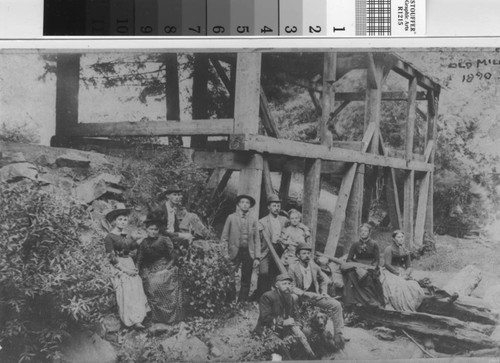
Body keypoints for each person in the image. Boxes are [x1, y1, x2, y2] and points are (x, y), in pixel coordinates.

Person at [288, 243, 346, 348]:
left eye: (309, 253)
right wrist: (304, 293)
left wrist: (323, 291)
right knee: (293, 297)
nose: (307, 256)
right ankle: (298, 326)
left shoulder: (314, 266)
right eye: (304, 253)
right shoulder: (292, 268)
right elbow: (291, 286)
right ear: (298, 255)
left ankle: (338, 335)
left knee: (336, 305)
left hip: (314, 296)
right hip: (300, 296)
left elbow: (323, 279)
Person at [103, 205, 148, 329]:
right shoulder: (109, 237)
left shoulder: (126, 235)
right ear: (114, 221)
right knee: (127, 287)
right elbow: (111, 257)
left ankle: (139, 318)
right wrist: (125, 270)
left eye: (124, 220)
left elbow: (131, 246)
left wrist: (141, 240)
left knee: (137, 285)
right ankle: (131, 320)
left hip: (129, 262)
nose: (123, 222)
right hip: (118, 265)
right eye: (120, 219)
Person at [254, 273, 315, 359]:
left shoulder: (291, 298)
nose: (287, 286)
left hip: (286, 330)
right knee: (282, 349)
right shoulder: (267, 296)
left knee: (307, 333)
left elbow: (297, 317)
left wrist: (298, 326)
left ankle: (303, 357)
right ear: (276, 285)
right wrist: (283, 322)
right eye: (284, 284)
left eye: (289, 284)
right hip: (269, 330)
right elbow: (265, 319)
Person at [137, 218, 183, 324]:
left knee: (159, 282)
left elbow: (173, 258)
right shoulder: (144, 242)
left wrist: (165, 269)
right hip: (150, 268)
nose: (153, 232)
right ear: (146, 230)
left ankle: (170, 318)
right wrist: (137, 269)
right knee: (149, 283)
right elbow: (140, 258)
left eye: (155, 229)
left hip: (166, 267)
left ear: (158, 230)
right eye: (150, 229)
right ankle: (158, 317)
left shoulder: (164, 240)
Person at [221, 194, 261, 302]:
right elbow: (224, 237)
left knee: (246, 278)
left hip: (248, 252)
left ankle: (242, 302)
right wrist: (224, 253)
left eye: (247, 203)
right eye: (242, 202)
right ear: (238, 204)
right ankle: (230, 301)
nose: (245, 205)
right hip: (233, 251)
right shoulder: (231, 217)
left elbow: (257, 239)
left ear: (250, 205)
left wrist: (257, 257)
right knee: (230, 276)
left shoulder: (253, 220)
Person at [380, 230, 425, 311]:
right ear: (394, 239)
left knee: (414, 286)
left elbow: (409, 266)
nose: (401, 239)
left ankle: (411, 306)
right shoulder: (389, 249)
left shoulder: (405, 250)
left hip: (402, 272)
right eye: (398, 237)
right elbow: (387, 264)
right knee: (396, 287)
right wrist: (398, 273)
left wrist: (406, 273)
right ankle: (397, 307)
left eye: (402, 237)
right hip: (390, 272)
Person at [342, 223, 385, 307]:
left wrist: (370, 268)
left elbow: (376, 260)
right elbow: (349, 258)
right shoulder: (355, 244)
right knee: (351, 274)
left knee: (370, 278)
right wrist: (356, 266)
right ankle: (353, 301)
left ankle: (372, 300)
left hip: (370, 266)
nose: (363, 233)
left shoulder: (374, 244)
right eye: (361, 231)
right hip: (357, 265)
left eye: (365, 231)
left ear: (369, 232)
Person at [256, 195, 288, 299]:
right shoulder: (262, 221)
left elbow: (297, 223)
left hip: (279, 250)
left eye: (278, 206)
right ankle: (261, 296)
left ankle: (272, 297)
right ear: (269, 207)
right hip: (266, 251)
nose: (277, 208)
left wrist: (305, 230)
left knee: (275, 274)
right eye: (274, 206)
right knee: (264, 273)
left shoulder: (284, 220)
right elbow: (256, 239)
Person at [148, 184, 193, 251]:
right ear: (167, 196)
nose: (177, 197)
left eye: (178, 195)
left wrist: (184, 234)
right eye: (174, 195)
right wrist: (181, 235)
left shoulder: (173, 209)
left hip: (171, 237)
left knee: (188, 236)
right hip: (162, 238)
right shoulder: (161, 210)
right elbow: (161, 231)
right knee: (186, 237)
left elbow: (176, 228)